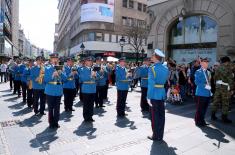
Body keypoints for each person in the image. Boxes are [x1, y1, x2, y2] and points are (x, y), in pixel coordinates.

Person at [147, 49, 169, 141]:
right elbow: (165, 82)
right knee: (161, 116)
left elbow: (151, 84)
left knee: (154, 116)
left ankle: (155, 135)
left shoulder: (152, 68)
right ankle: (160, 135)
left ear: (156, 58)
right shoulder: (165, 68)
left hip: (154, 95)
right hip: (162, 94)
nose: (151, 57)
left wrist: (148, 97)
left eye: (152, 56)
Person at [44, 53, 66, 128]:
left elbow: (65, 79)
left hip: (58, 90)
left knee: (57, 108)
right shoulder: (47, 68)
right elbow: (46, 80)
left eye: (56, 58)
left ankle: (56, 121)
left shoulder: (61, 68)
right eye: (53, 58)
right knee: (50, 108)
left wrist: (61, 73)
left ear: (58, 59)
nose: (55, 60)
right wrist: (52, 75)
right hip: (50, 90)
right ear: (50, 59)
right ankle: (51, 122)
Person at [211, 56, 234, 123]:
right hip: (225, 88)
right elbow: (230, 80)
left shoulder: (217, 68)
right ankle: (224, 118)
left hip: (218, 88)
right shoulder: (228, 69)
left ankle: (213, 115)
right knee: (225, 103)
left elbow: (214, 78)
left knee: (215, 102)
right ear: (227, 62)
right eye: (229, 62)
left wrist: (217, 85)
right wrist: (232, 89)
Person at [194, 58, 212, 127]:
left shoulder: (208, 72)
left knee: (205, 108)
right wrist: (205, 85)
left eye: (207, 63)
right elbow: (196, 82)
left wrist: (210, 88)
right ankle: (198, 121)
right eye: (205, 63)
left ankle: (202, 120)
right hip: (201, 93)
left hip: (207, 93)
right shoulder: (198, 71)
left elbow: (209, 82)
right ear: (202, 64)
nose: (207, 64)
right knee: (199, 109)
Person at [80, 56, 97, 122]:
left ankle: (90, 116)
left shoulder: (93, 69)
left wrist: (95, 75)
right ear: (85, 62)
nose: (90, 62)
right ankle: (86, 117)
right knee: (86, 104)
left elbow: (97, 78)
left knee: (91, 104)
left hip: (93, 89)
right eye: (88, 61)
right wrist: (91, 75)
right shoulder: (82, 69)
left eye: (91, 61)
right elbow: (82, 79)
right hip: (86, 89)